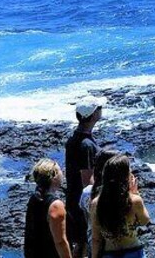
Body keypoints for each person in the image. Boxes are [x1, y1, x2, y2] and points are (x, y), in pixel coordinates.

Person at [66, 96, 106, 257]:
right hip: (83, 204)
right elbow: (87, 181)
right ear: (93, 115)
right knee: (86, 243)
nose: (101, 110)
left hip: (73, 199)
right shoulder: (87, 145)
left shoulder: (74, 138)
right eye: (99, 108)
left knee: (80, 243)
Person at [90, 154, 151, 258]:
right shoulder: (135, 200)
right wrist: (136, 194)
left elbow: (96, 238)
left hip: (109, 253)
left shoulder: (96, 203)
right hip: (133, 252)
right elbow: (145, 221)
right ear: (126, 177)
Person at [24, 158, 72, 258]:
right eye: (60, 171)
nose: (62, 173)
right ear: (54, 177)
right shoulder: (55, 205)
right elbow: (60, 242)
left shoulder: (34, 198)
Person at [79, 149, 118, 257]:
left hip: (94, 244)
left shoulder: (87, 193)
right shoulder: (120, 195)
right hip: (116, 247)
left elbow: (86, 218)